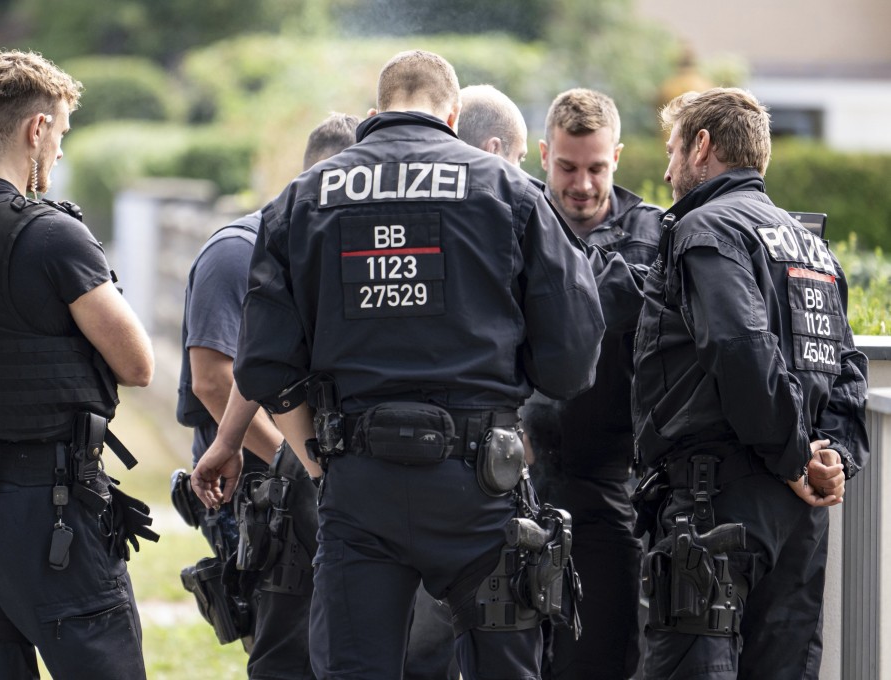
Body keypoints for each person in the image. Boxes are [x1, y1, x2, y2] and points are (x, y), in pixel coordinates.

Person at [194, 49, 607, 680]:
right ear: (454, 111)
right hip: (481, 486)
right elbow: (572, 361)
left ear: (373, 113)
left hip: (359, 489)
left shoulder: (302, 201)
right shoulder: (510, 192)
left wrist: (322, 462)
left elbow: (265, 368)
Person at [0, 50, 156, 679]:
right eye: (62, 133)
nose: (62, 153)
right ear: (35, 129)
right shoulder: (50, 235)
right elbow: (138, 363)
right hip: (42, 504)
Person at [631, 87, 869, 678]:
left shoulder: (705, 229)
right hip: (799, 521)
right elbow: (847, 368)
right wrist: (831, 455)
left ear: (702, 146)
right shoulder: (810, 246)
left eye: (672, 150)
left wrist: (793, 459)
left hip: (717, 507)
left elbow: (739, 346)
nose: (666, 170)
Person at [176, 112, 355, 680]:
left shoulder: (323, 255)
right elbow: (212, 379)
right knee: (287, 655)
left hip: (316, 489)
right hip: (264, 495)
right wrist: (301, 463)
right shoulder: (240, 252)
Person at [520, 87, 663, 680]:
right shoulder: (513, 219)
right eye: (567, 167)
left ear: (619, 158)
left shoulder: (656, 235)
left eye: (597, 168)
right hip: (516, 480)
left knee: (603, 651)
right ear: (542, 153)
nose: (581, 184)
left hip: (611, 483)